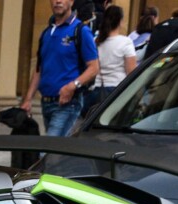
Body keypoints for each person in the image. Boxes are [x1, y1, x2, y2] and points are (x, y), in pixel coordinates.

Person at [20, 0, 99, 137]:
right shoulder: (46, 33)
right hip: (46, 102)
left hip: (67, 104)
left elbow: (94, 67)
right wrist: (28, 99)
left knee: (47, 151)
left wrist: (72, 86)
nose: (58, 1)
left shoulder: (80, 31)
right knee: (56, 152)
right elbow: (39, 69)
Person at [88, 4, 136, 110]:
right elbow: (131, 73)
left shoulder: (95, 41)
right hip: (117, 90)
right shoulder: (126, 42)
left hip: (97, 90)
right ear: (120, 21)